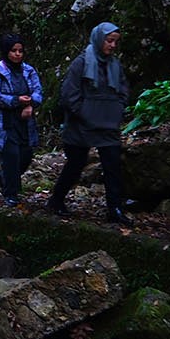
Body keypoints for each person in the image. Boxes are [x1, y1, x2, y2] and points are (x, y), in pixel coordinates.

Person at [48, 21, 131, 224]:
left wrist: (116, 110)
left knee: (112, 165)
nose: (112, 46)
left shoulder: (115, 65)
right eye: (109, 41)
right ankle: (56, 200)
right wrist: (85, 113)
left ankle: (114, 209)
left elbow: (123, 90)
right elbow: (69, 95)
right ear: (99, 40)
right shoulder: (81, 62)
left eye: (115, 42)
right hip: (81, 125)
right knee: (75, 164)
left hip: (108, 124)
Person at [0, 33, 42, 205]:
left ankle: (4, 178)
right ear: (6, 52)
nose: (17, 54)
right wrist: (15, 100)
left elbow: (38, 91)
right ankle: (11, 193)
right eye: (13, 51)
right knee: (11, 156)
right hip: (4, 121)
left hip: (25, 121)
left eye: (20, 51)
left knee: (26, 155)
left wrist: (31, 104)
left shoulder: (28, 70)